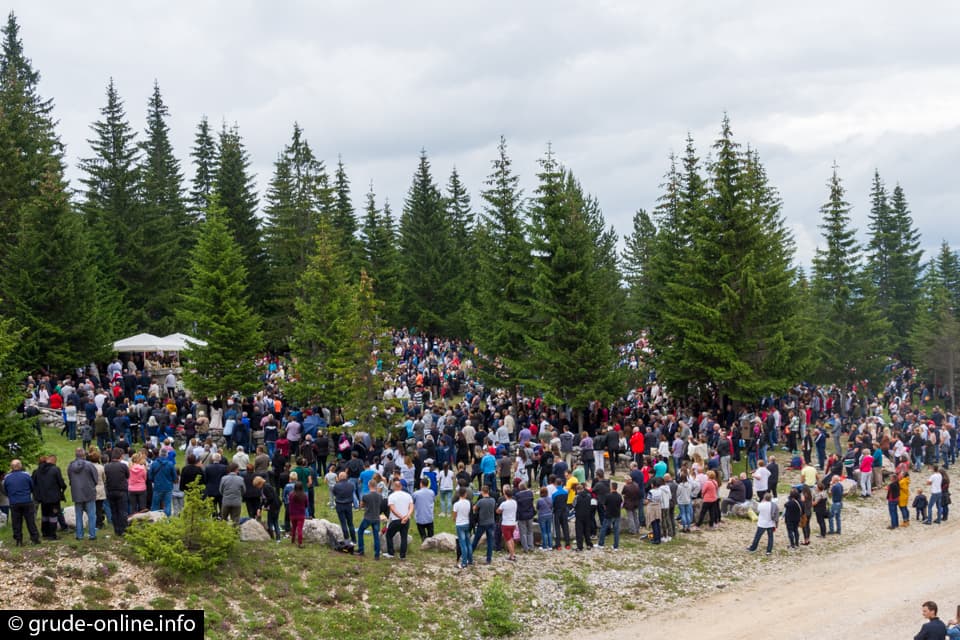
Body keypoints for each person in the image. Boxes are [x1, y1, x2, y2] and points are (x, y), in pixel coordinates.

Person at [3, 459, 40, 546]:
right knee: (30, 521)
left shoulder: (7, 477)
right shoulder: (26, 475)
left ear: (11, 467)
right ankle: (34, 538)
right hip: (26, 501)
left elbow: (5, 490)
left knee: (16, 522)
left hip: (14, 502)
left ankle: (18, 540)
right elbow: (32, 487)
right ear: (20, 466)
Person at [68, 448, 99, 541]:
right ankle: (92, 535)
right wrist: (91, 485)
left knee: (78, 515)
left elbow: (70, 478)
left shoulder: (71, 466)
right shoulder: (90, 465)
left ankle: (79, 535)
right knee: (91, 515)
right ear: (84, 455)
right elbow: (96, 479)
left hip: (76, 493)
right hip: (89, 492)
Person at [104, 449, 130, 536]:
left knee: (114, 511)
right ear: (120, 456)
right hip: (121, 491)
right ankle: (123, 530)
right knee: (122, 511)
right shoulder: (123, 466)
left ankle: (117, 530)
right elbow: (128, 476)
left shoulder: (106, 466)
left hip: (110, 491)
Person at [385, 479, 414, 559]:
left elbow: (392, 509)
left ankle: (391, 553)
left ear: (394, 487)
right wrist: (406, 516)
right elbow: (411, 507)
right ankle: (402, 555)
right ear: (401, 487)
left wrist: (401, 517)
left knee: (389, 535)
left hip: (396, 519)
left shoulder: (391, 496)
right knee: (404, 537)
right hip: (406, 519)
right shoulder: (408, 495)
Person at [356, 479, 383, 558]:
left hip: (368, 517)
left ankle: (361, 550)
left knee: (360, 531)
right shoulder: (380, 496)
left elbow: (361, 506)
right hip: (376, 518)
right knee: (376, 536)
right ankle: (377, 554)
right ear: (376, 486)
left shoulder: (365, 496)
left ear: (369, 485)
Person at [472, 485, 497, 563]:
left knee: (476, 539)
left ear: (482, 492)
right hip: (491, 522)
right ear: (488, 491)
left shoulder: (481, 501)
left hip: (482, 523)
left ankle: (470, 554)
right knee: (490, 541)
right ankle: (488, 559)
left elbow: (474, 508)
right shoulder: (493, 500)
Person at [254, 476, 282, 541]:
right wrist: (259, 508)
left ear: (259, 483)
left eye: (257, 486)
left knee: (272, 522)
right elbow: (263, 499)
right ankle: (276, 537)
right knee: (273, 521)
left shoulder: (266, 487)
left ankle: (275, 537)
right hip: (273, 506)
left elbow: (270, 497)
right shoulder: (264, 487)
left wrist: (265, 506)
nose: (257, 488)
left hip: (274, 506)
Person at [333, 472, 357, 544]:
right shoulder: (351, 485)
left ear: (339, 477)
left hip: (340, 505)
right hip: (348, 505)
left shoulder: (336, 486)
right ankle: (354, 540)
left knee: (343, 523)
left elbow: (334, 494)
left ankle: (346, 539)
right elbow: (352, 492)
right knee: (350, 523)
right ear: (346, 477)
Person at [598, 481, 622, 550]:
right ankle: (615, 546)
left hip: (609, 515)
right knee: (616, 531)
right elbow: (620, 504)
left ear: (612, 487)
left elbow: (604, 505)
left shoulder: (608, 496)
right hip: (617, 514)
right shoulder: (619, 496)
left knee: (603, 529)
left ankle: (601, 544)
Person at [453, 487, 473, 568]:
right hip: (467, 523)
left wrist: (455, 519)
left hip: (459, 524)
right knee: (468, 543)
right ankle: (470, 559)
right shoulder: (468, 502)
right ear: (465, 494)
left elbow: (454, 516)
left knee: (462, 544)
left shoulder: (456, 504)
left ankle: (464, 562)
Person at [498, 486, 518, 560]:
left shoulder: (504, 503)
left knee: (508, 540)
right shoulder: (514, 502)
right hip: (513, 522)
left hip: (506, 523)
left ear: (505, 495)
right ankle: (513, 553)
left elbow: (498, 511)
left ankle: (512, 555)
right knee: (511, 538)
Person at [413, 476, 436, 541]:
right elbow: (433, 500)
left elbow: (413, 502)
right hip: (429, 516)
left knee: (423, 535)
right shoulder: (432, 492)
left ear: (421, 484)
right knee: (431, 535)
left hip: (419, 517)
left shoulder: (416, 493)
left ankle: (424, 541)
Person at [573, 483, 594, 551]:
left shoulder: (576, 497)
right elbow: (591, 504)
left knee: (579, 531)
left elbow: (574, 505)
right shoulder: (589, 496)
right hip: (587, 515)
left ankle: (580, 546)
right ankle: (588, 544)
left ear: (578, 490)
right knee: (587, 530)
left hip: (579, 515)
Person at [288, 481, 308, 547]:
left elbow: (289, 502)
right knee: (299, 529)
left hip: (292, 514)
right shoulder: (304, 495)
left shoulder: (291, 494)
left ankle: (293, 540)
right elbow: (306, 504)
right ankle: (300, 543)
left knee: (293, 528)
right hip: (301, 514)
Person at [536, 486, 553, 550]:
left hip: (542, 515)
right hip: (549, 515)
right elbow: (551, 506)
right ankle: (550, 546)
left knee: (544, 532)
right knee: (549, 531)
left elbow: (537, 508)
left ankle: (545, 546)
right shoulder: (550, 499)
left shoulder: (539, 500)